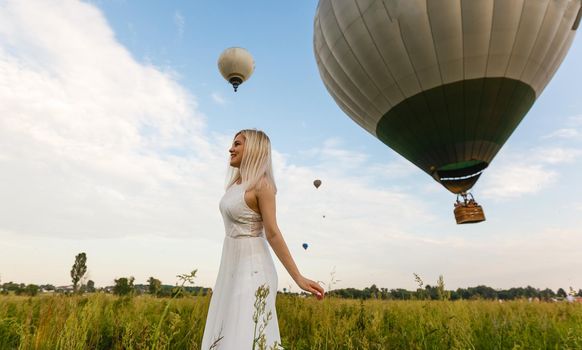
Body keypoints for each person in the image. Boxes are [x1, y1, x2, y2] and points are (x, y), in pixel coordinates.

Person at [201, 129, 325, 350]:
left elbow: (273, 233)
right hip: (230, 266)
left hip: (253, 269)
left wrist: (298, 277)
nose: (231, 148)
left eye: (238, 144)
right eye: (233, 143)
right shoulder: (235, 185)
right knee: (227, 331)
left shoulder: (262, 185)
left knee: (246, 332)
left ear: (254, 150)